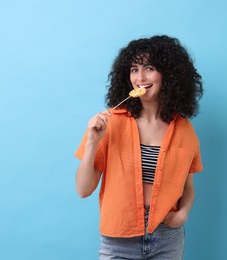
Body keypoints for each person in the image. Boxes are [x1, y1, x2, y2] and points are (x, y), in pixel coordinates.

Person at [75, 35, 204, 259]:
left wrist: (183, 213)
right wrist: (93, 142)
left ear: (169, 75)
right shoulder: (111, 123)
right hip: (119, 237)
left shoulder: (184, 130)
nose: (140, 77)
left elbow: (188, 186)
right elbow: (83, 189)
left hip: (167, 237)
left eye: (149, 68)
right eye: (134, 69)